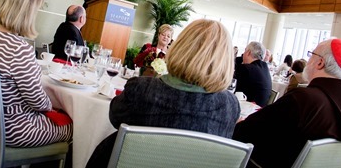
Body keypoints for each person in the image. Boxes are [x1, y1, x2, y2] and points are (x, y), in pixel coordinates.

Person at [86, 19, 240, 168]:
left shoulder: (141, 89)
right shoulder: (230, 106)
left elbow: (115, 117)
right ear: (226, 60)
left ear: (179, 47)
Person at [233, 38, 341, 168]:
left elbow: (248, 132)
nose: (309, 59)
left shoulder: (304, 99)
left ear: (320, 63)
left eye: (312, 54)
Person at [0, 0, 72, 147]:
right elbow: (37, 101)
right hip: (13, 129)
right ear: (28, 13)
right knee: (75, 128)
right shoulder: (19, 48)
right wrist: (52, 106)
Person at [235, 41, 271, 107]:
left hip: (247, 111)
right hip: (260, 110)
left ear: (248, 53)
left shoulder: (246, 69)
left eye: (245, 51)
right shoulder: (265, 69)